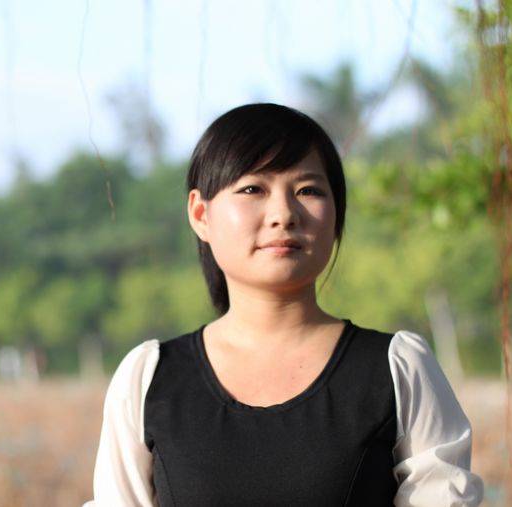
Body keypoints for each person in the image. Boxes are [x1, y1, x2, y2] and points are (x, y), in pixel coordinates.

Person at [83, 103, 484, 506]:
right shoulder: (149, 379)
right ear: (201, 214)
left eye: (308, 190)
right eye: (253, 189)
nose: (283, 214)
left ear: (336, 215)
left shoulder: (398, 369)